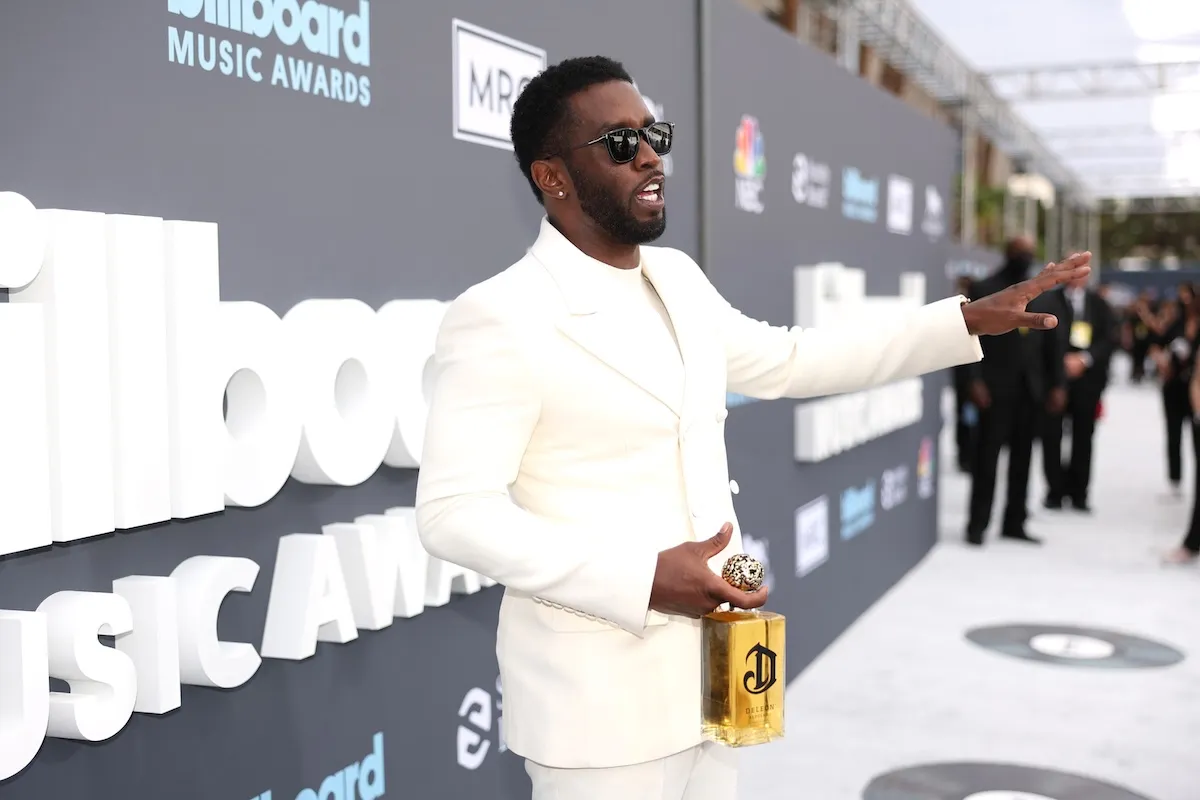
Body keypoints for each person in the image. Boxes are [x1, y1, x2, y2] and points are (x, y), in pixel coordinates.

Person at [413, 56, 1090, 800]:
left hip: (718, 675)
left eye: (654, 135)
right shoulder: (501, 315)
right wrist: (640, 579)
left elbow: (793, 359)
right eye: (620, 143)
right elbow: (453, 514)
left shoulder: (676, 279)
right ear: (552, 176)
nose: (649, 157)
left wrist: (962, 322)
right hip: (597, 706)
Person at [961, 236, 1068, 546]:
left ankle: (1015, 522)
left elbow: (1054, 344)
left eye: (1030, 252)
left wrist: (1058, 384)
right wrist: (973, 380)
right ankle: (977, 524)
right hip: (994, 390)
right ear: (1008, 253)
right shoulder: (984, 288)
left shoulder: (1042, 294)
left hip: (1031, 390)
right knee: (986, 460)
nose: (1026, 257)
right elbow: (966, 336)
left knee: (1023, 459)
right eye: (1021, 252)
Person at [1041, 271, 1117, 512]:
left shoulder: (1099, 304)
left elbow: (1109, 339)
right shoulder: (1049, 300)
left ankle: (1079, 493)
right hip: (1055, 380)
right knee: (1051, 436)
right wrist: (1060, 363)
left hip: (1087, 381)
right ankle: (1054, 490)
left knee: (1083, 437)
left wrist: (1084, 359)